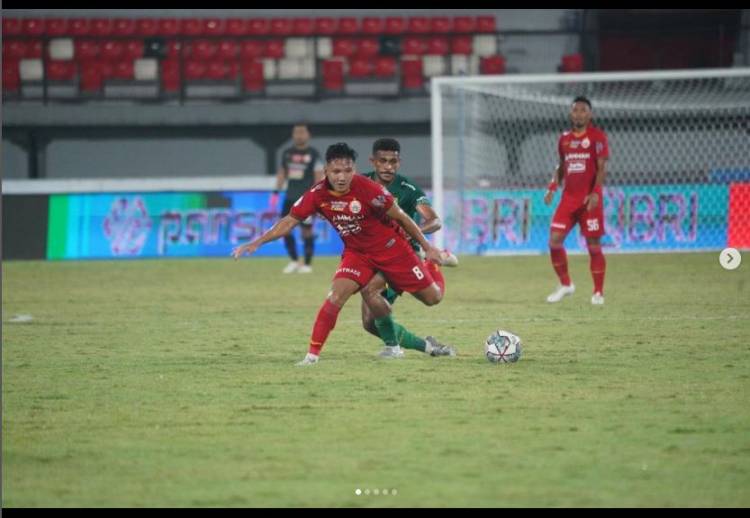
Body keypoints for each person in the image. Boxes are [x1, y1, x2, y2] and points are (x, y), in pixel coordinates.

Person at [233, 143, 445, 366]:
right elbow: (288, 221)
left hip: (393, 250)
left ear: (354, 170)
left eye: (347, 171)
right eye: (336, 172)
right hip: (358, 254)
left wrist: (428, 248)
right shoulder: (317, 194)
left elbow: (402, 217)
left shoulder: (369, 188)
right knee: (337, 296)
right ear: (326, 171)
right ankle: (312, 357)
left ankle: (433, 265)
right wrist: (257, 242)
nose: (342, 177)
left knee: (433, 298)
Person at [360, 138, 458, 358]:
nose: (388, 166)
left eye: (393, 161)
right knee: (369, 323)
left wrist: (412, 231)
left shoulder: (408, 189)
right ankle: (430, 347)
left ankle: (432, 263)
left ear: (399, 162)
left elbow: (435, 221)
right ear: (372, 161)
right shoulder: (361, 183)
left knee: (431, 298)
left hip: (404, 255)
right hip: (375, 255)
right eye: (382, 161)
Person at [544, 96, 609, 305]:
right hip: (569, 199)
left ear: (589, 114)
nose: (579, 114)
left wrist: (596, 193)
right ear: (571, 114)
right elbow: (561, 167)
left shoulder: (597, 137)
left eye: (583, 110)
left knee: (593, 245)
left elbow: (601, 168)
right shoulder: (564, 139)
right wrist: (553, 187)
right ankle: (565, 284)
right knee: (554, 241)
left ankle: (598, 292)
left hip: (589, 200)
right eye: (575, 110)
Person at [273, 123, 325, 274]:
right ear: (293, 134)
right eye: (296, 132)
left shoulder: (313, 154)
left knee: (306, 232)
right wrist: (276, 192)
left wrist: (316, 196)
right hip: (289, 197)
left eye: (302, 132)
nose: (299, 135)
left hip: (306, 199)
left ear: (308, 135)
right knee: (285, 230)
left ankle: (307, 264)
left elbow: (318, 176)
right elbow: (282, 172)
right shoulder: (287, 153)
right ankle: (294, 261)